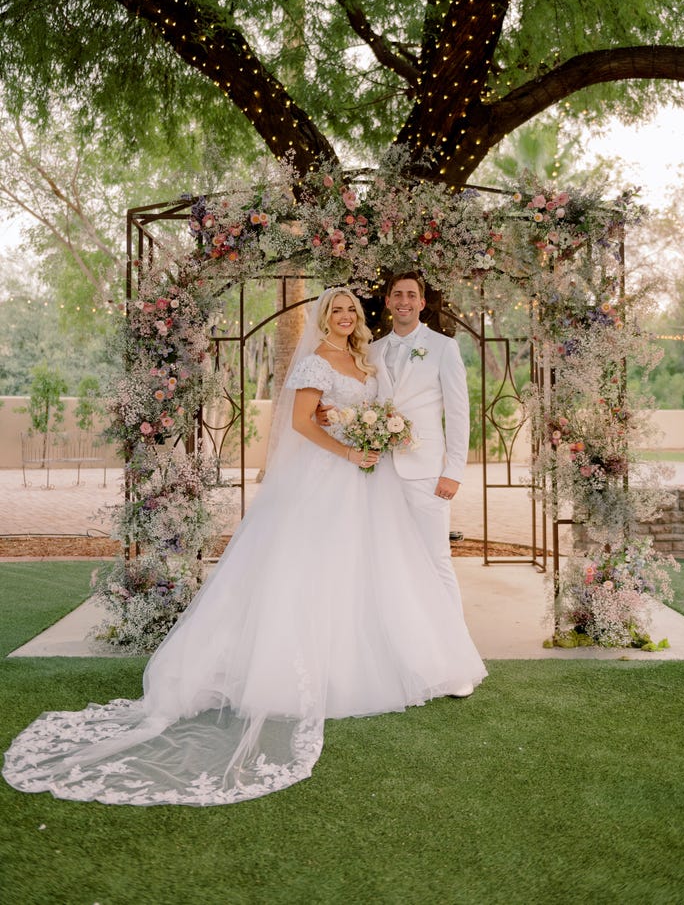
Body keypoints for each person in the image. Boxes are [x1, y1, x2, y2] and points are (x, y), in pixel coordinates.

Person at [2, 288, 486, 808]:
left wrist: (367, 437)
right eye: (336, 310)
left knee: (379, 571)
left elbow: (400, 411)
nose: (345, 316)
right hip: (332, 477)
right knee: (311, 571)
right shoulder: (320, 360)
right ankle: (306, 671)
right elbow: (302, 420)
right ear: (326, 318)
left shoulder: (373, 356)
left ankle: (425, 660)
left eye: (350, 310)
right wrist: (348, 446)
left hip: (376, 479)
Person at [370, 272, 470, 619]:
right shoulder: (372, 351)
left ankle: (454, 646)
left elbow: (459, 414)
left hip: (427, 472)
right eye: (397, 294)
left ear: (422, 303)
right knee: (388, 559)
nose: (404, 301)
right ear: (387, 301)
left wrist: (453, 471)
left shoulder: (444, 347)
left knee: (435, 558)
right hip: (379, 471)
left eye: (411, 295)